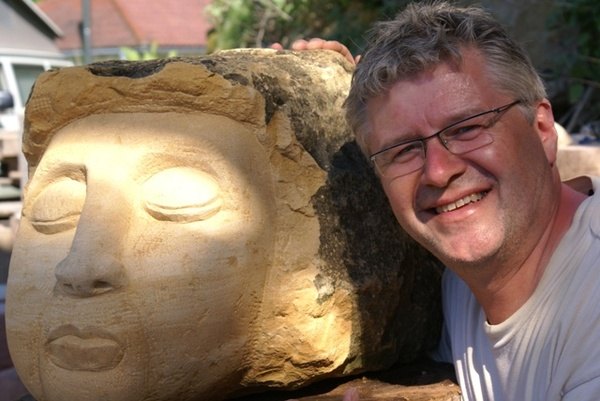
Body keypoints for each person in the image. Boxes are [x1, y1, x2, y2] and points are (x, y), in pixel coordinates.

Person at [292, 2, 600, 400]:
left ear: (542, 129)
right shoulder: (460, 285)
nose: (438, 171)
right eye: (403, 150)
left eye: (467, 128)